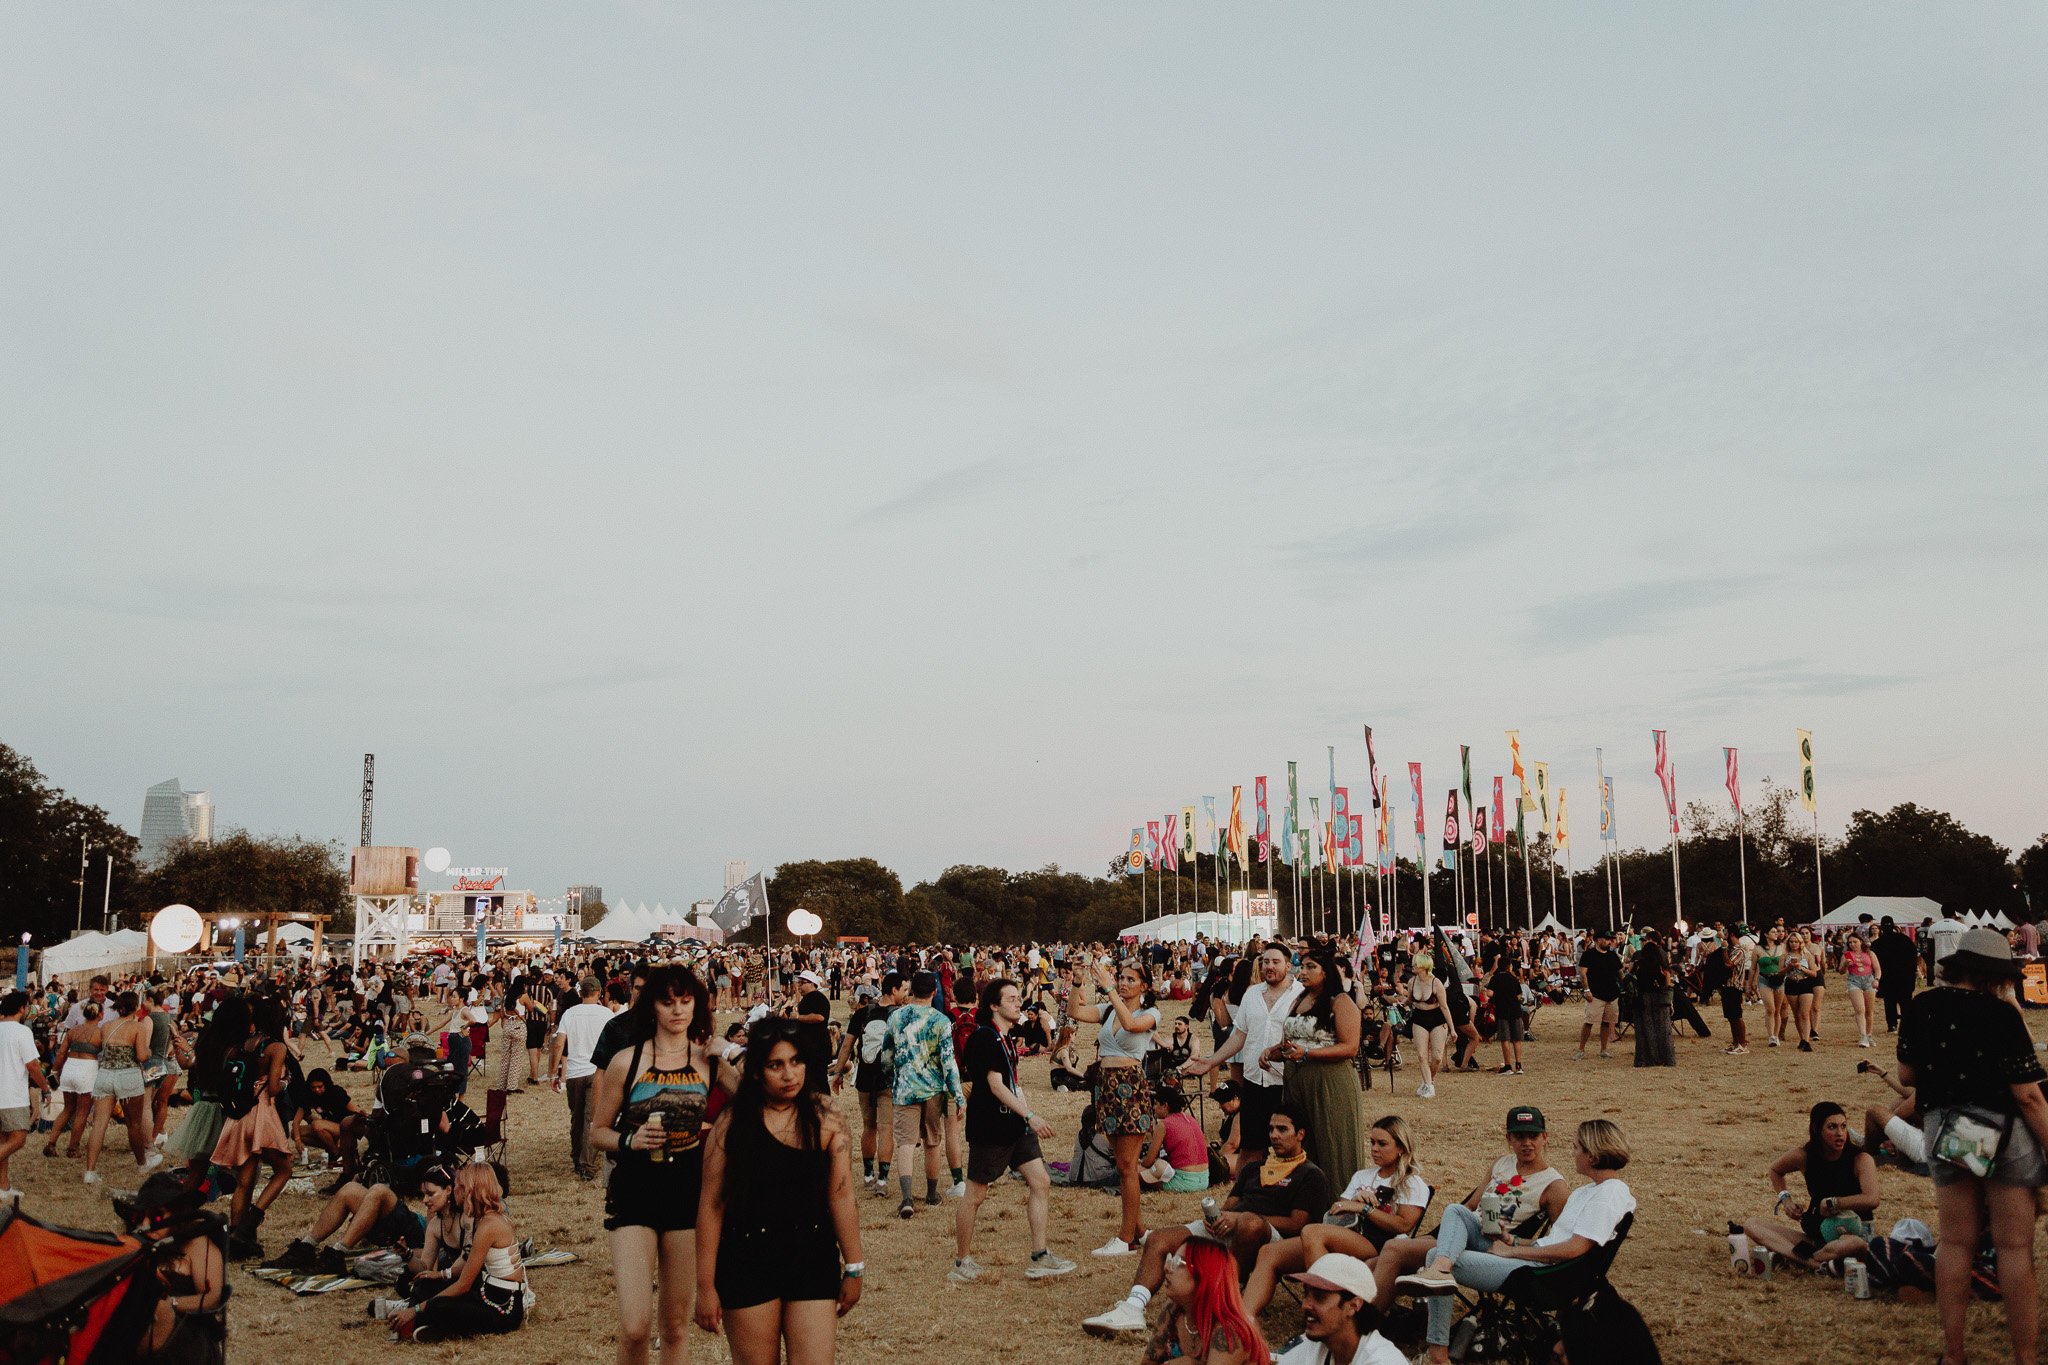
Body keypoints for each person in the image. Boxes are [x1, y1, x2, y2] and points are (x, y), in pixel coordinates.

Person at [1897, 926, 2048, 1365]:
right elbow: (2028, 1095)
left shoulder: (1922, 1005)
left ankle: (1954, 1353)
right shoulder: (2003, 1015)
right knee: (2015, 1248)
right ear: (1994, 974)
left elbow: (1906, 1077)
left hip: (1946, 1131)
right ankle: (2025, 1356)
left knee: (1956, 1244)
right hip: (2005, 1135)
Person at [1395, 1119, 1636, 1365]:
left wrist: (1513, 1252)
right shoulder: (1588, 1191)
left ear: (1593, 1156)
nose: (1572, 1153)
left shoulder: (1609, 1194)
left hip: (1543, 1276)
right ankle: (1440, 1270)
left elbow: (1574, 1249)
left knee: (1434, 1255)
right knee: (1456, 1211)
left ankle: (1438, 1354)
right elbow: (1553, 1242)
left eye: (1576, 1148)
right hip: (1536, 1262)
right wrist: (1513, 1240)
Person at [695, 1017, 864, 1365]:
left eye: (796, 1062)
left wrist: (855, 1266)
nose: (789, 1075)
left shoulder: (827, 1115)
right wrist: (705, 1285)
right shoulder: (731, 1124)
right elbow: (712, 1205)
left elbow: (842, 1194)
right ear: (756, 1070)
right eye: (776, 1065)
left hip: (812, 1257)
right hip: (746, 1261)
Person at [1082, 1103, 1332, 1338]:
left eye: (1282, 1129)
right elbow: (1230, 1206)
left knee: (1250, 1224)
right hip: (1232, 1227)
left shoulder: (1310, 1174)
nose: (1274, 1135)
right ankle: (1133, 1306)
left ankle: (1226, 1296)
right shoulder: (1255, 1168)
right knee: (1159, 1239)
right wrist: (1220, 1218)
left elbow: (1299, 1225)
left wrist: (1241, 1218)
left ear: (1300, 1134)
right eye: (1271, 1129)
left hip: (1271, 1240)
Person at [587, 964, 717, 1365]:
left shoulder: (708, 1061)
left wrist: (727, 1051)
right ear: (653, 1008)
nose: (678, 1010)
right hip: (635, 1192)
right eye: (667, 1002)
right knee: (635, 1326)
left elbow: (757, 1095)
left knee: (676, 1326)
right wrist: (630, 1140)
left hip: (687, 1193)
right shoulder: (628, 1062)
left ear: (697, 1004)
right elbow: (597, 1132)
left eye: (685, 1000)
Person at [1367, 1105, 1572, 1307]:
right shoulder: (1501, 1164)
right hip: (1466, 1233)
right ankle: (1367, 1318)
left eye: (1533, 1136)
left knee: (1394, 1249)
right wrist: (1436, 1234)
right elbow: (1471, 1205)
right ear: (1509, 1138)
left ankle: (1368, 1324)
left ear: (1545, 1137)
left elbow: (1557, 1242)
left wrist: (1512, 1241)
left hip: (1494, 1246)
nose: (1527, 1143)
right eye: (1519, 1136)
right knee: (1374, 1262)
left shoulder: (1554, 1185)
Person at [950, 978, 1075, 1283]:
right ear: (993, 1005)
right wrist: (1031, 1115)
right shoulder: (985, 1038)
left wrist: (1025, 1111)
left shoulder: (1006, 1039)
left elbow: (1011, 1083)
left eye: (1019, 998)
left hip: (1015, 1125)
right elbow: (994, 1086)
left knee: (1041, 1181)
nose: (1019, 1003)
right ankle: (961, 1263)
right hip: (992, 1127)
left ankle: (1040, 1256)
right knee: (975, 1195)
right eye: (1011, 999)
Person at [1241, 1115, 1426, 1316]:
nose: (1374, 1148)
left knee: (1312, 1232)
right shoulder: (1362, 1176)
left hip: (1378, 1245)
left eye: (1382, 1144)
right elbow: (1336, 1209)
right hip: (1345, 1234)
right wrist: (1355, 1201)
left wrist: (1365, 1209)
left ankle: (1324, 1311)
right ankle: (1244, 1318)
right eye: (1372, 1142)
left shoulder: (1411, 1183)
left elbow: (1402, 1226)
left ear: (1401, 1148)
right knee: (1270, 1252)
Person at [1066, 957, 1161, 1257]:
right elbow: (1074, 1012)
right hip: (1106, 1088)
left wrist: (1109, 990)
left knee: (1126, 1166)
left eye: (1131, 979)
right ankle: (1141, 1232)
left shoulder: (1151, 1013)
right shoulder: (1109, 1010)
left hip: (1130, 1088)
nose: (1123, 982)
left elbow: (1132, 1025)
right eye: (1121, 977)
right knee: (1123, 1166)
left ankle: (1126, 1238)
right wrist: (1077, 981)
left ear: (1144, 986)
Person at [1181, 945, 1301, 1174]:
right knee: (1251, 1146)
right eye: (1265, 962)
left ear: (1288, 965)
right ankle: (1245, 1194)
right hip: (1255, 1080)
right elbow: (1239, 1036)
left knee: (1289, 1148)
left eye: (1275, 962)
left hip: (1287, 1082)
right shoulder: (1252, 994)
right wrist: (1212, 1061)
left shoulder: (1300, 994)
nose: (1269, 966)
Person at [388, 1163, 526, 1343]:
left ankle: (441, 1327)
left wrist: (416, 1309)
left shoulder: (488, 1226)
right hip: (490, 1295)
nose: (455, 1190)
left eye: (459, 1186)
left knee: (437, 1305)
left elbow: (463, 1284)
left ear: (470, 1190)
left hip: (504, 1308)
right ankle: (434, 1325)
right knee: (430, 1292)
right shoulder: (483, 1219)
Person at [1737, 1101, 1881, 1269]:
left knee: (1851, 1244)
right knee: (1751, 1225)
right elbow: (1775, 1170)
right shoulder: (1805, 1156)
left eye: (1843, 1126)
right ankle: (1813, 1263)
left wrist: (1834, 1203)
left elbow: (1872, 1199)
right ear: (1816, 1129)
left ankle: (1797, 1257)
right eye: (1832, 1127)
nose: (1840, 1134)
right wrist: (1786, 1200)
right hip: (1818, 1237)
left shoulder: (1860, 1159)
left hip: (1852, 1237)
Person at [1272, 945, 1365, 1184]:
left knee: (1332, 1143)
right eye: (1301, 967)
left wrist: (1308, 1053)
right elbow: (1291, 1040)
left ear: (1326, 972)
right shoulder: (1299, 999)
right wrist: (1274, 1052)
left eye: (1311, 967)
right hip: (1296, 1080)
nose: (1303, 972)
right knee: (1303, 1143)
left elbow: (1350, 1047)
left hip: (1329, 1081)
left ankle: (1339, 1203)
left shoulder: (1340, 1001)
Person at [211, 995, 293, 1258]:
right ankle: (251, 1222)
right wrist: (286, 1082)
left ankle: (235, 1236)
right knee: (284, 1170)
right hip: (261, 1113)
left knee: (244, 1180)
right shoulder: (276, 1047)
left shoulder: (243, 1044)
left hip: (239, 1113)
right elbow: (272, 1088)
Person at [882, 970, 965, 1220]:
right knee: (932, 1142)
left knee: (906, 1143)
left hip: (905, 1089)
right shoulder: (941, 1021)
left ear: (911, 990)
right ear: (934, 992)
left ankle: (907, 1198)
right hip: (933, 1089)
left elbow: (886, 1057)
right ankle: (931, 1194)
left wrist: (891, 1082)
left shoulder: (896, 1018)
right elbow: (949, 1064)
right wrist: (958, 1096)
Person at [1136, 1236, 1273, 1365]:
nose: (1167, 1267)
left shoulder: (1229, 1331)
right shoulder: (1173, 1309)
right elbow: (1147, 1362)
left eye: (1178, 1262)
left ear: (1204, 1274)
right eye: (1171, 1260)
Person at [834, 974, 904, 1195]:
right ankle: (882, 1179)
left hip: (865, 1075)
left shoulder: (862, 1013)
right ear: (893, 990)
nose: (906, 994)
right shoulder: (900, 1016)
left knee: (868, 1126)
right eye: (904, 989)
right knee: (886, 1128)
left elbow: (846, 1046)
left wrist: (838, 1073)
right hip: (888, 1078)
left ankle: (867, 1174)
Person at [83, 989, 160, 1187]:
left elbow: (101, 1049)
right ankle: (142, 1163)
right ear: (135, 1007)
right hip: (128, 1076)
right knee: (133, 1124)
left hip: (105, 1075)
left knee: (99, 1124)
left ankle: (90, 1171)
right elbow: (142, 1056)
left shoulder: (106, 1026)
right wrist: (149, 1050)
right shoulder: (137, 1027)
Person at [1274, 1252, 1405, 1365]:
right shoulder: (1315, 1348)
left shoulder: (1382, 1361)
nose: (1305, 1305)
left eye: (1320, 1297)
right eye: (1306, 1294)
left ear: (1353, 1306)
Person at [551, 976, 614, 1181]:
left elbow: (559, 1043)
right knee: (591, 1119)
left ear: (581, 993)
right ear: (598, 993)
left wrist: (554, 1071)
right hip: (598, 1071)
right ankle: (587, 1164)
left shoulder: (570, 1013)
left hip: (574, 1072)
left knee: (576, 1117)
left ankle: (576, 1157)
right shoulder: (606, 1014)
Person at [0, 992, 52, 1201]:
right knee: (18, 1139)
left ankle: (3, 1187)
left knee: (3, 1141)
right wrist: (46, 1088)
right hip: (12, 1096)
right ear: (22, 1008)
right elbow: (32, 1065)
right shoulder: (22, 1032)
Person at [42, 998, 99, 1159]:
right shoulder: (100, 1032)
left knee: (68, 1109)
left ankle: (51, 1143)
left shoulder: (73, 1031)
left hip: (69, 1068)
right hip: (87, 1069)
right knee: (82, 1111)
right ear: (99, 1014)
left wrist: (54, 1071)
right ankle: (73, 1148)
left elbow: (60, 1054)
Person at [1138, 1086, 1210, 1192]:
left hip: (1183, 1181)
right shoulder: (1191, 1119)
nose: (1153, 1108)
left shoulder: (1163, 1125)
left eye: (1156, 1104)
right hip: (1204, 1180)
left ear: (1165, 1105)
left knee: (1132, 1171)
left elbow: (1149, 1161)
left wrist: (1139, 1163)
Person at [1405, 952, 1452, 1099]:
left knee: (1437, 1057)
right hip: (1419, 1019)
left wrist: (1452, 1028)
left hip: (1437, 1019)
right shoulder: (1412, 982)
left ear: (1423, 966)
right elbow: (1409, 1000)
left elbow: (1444, 1007)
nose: (1412, 965)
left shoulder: (1436, 983)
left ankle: (1428, 1081)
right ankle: (1429, 1086)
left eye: (1415, 963)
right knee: (1421, 1055)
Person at [1575, 930, 1621, 1060]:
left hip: (1612, 994)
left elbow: (1620, 972)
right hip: (1595, 994)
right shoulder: (1589, 955)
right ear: (1598, 940)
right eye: (1606, 939)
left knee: (1607, 1022)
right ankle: (1581, 1049)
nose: (1609, 942)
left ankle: (1604, 1049)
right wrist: (1586, 990)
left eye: (1609, 939)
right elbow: (1583, 974)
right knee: (1589, 1022)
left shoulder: (1612, 956)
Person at [1630, 937, 1675, 1068]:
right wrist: (1670, 1002)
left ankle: (1645, 1058)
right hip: (1659, 998)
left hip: (1642, 999)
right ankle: (1666, 1058)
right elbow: (1668, 985)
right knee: (1663, 1029)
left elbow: (1630, 978)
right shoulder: (1662, 966)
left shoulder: (1638, 965)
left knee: (1645, 1029)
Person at [1872, 916, 1920, 1034]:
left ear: (1881, 928)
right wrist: (1915, 970)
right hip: (1905, 975)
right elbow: (1914, 956)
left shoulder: (1877, 943)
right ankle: (1907, 1025)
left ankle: (1892, 1025)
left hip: (1887, 976)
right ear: (1894, 926)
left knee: (1889, 1001)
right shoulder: (1905, 939)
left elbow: (1874, 962)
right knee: (1906, 1001)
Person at [1485, 957, 1526, 1075]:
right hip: (1515, 1011)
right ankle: (1519, 1066)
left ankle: (1508, 1066)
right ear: (1509, 967)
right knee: (1517, 1039)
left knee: (1505, 1039)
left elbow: (1489, 993)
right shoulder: (1514, 979)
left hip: (1502, 1011)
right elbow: (1519, 996)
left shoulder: (1495, 978)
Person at [1841, 931, 1881, 1049]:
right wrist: (1845, 965)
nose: (1853, 944)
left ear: (1861, 942)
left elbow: (1877, 968)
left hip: (1869, 980)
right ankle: (1863, 1035)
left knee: (1869, 1010)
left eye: (1855, 942)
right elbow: (1841, 971)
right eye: (1850, 943)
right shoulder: (1846, 954)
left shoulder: (1870, 953)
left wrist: (1877, 979)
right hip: (1854, 981)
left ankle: (1869, 1034)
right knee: (1860, 1009)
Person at [1756, 926, 1789, 1046]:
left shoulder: (1782, 947)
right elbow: (1754, 968)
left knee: (1777, 1010)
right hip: (1764, 979)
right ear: (1766, 934)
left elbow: (1787, 963)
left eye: (1777, 932)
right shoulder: (1758, 948)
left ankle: (1776, 1035)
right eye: (1773, 932)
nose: (1777, 934)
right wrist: (1750, 984)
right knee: (1770, 1008)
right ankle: (1771, 1036)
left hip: (1779, 979)